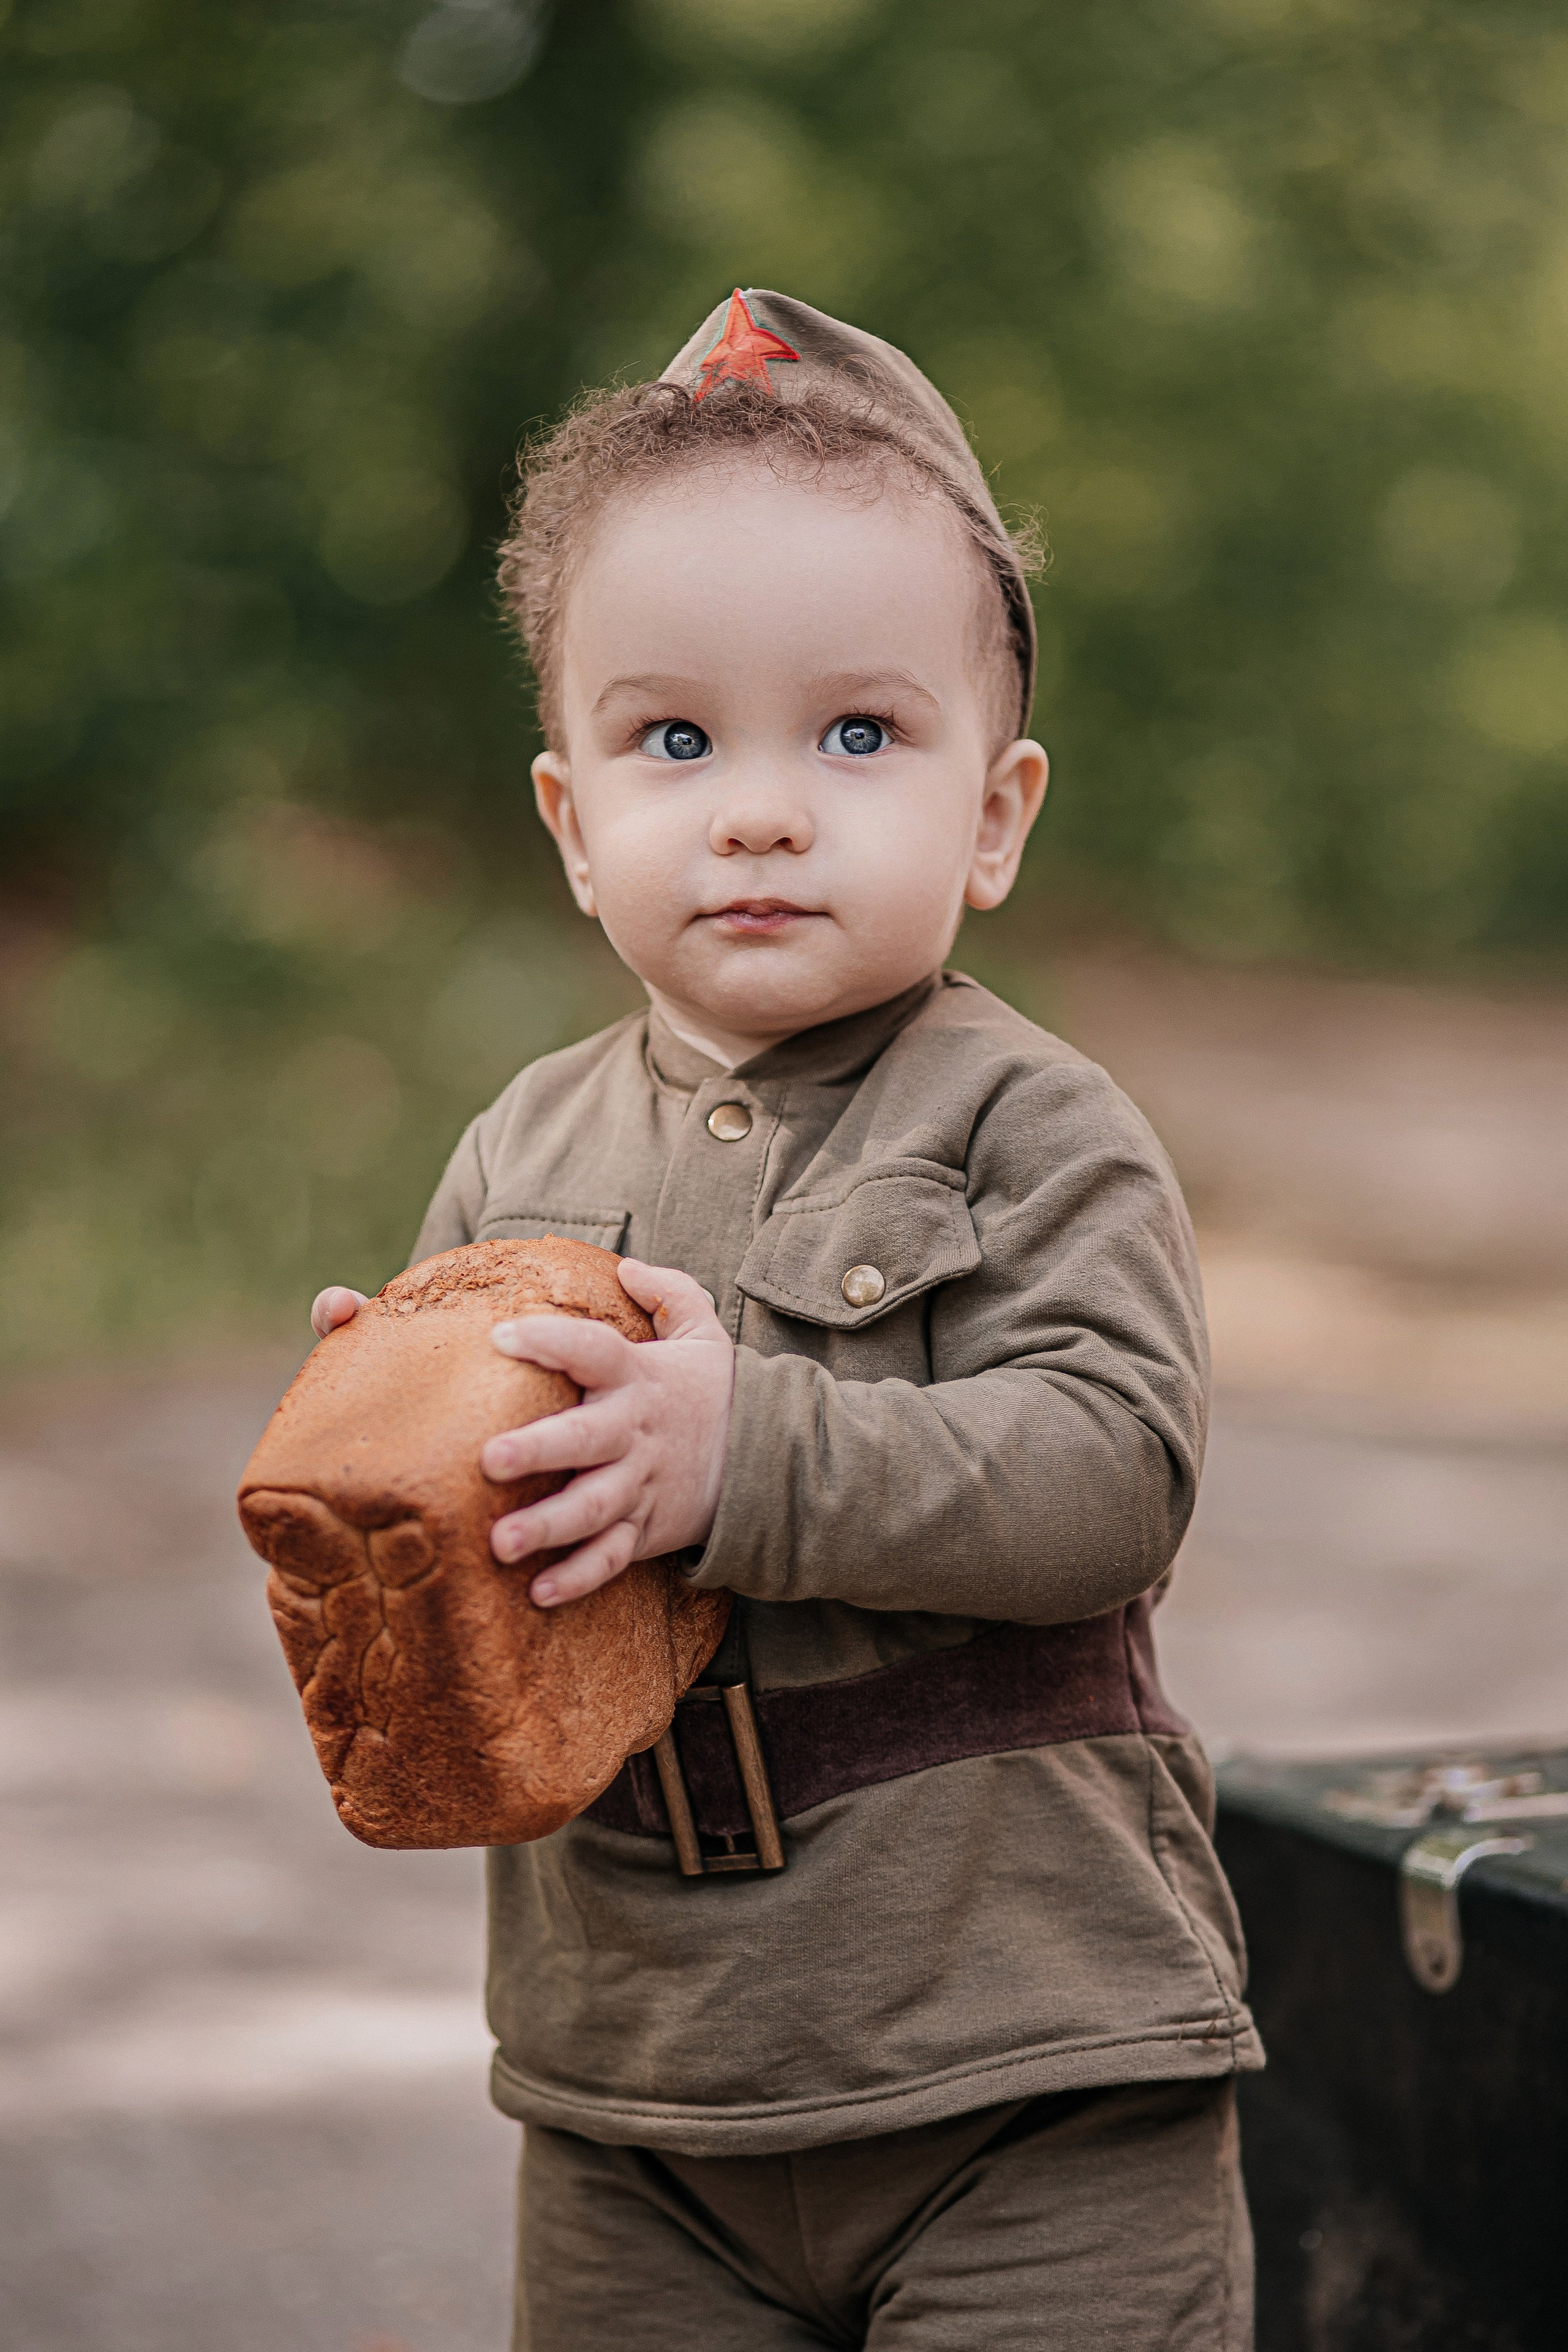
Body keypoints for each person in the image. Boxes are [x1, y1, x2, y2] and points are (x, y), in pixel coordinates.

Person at [312, 288, 1261, 2350]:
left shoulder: (1033, 1124)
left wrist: (748, 1453)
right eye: (674, 738)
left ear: (993, 812)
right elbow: (493, 1584)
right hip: (635, 2100)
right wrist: (395, 1462)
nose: (758, 808)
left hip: (1029, 2071)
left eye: (857, 733)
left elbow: (1113, 1477)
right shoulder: (519, 1143)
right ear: (573, 822)